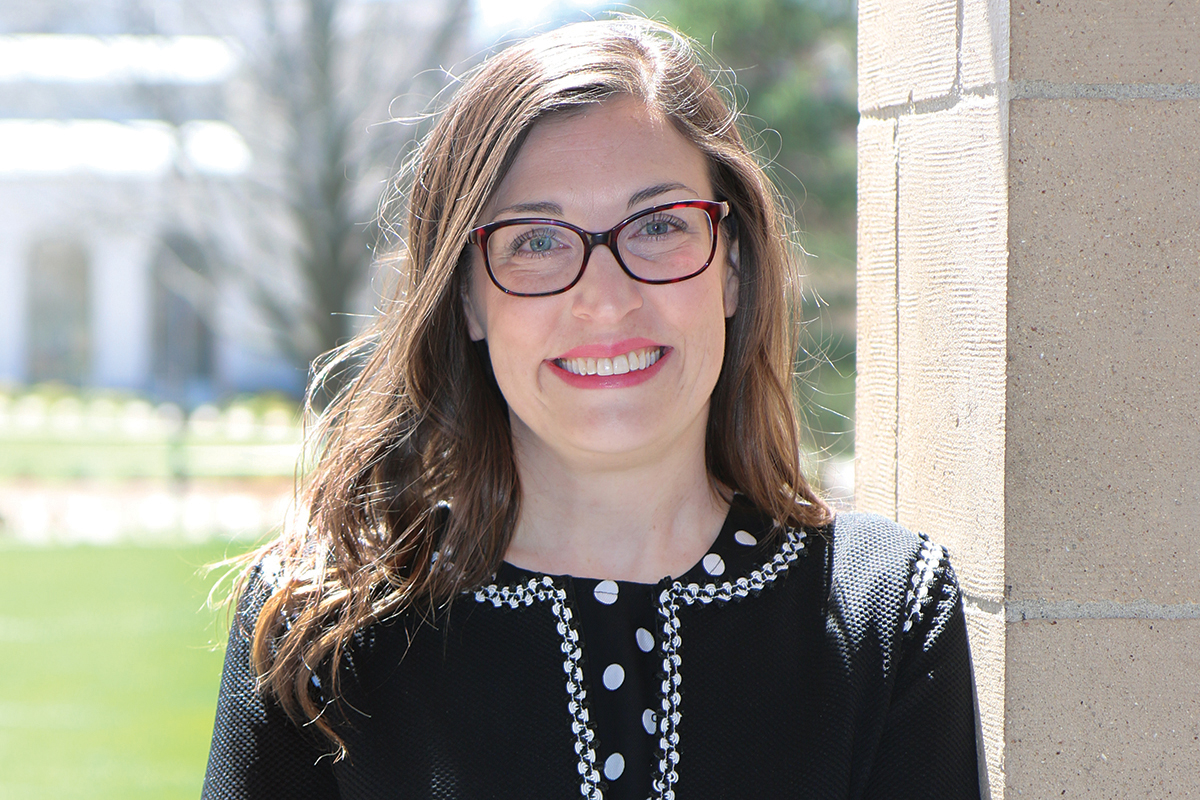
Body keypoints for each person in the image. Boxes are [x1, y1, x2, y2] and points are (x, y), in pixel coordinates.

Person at [203, 17, 980, 800]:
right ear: (467, 298)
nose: (604, 302)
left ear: (733, 269)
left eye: (659, 227)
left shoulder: (889, 615)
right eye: (537, 242)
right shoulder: (319, 633)